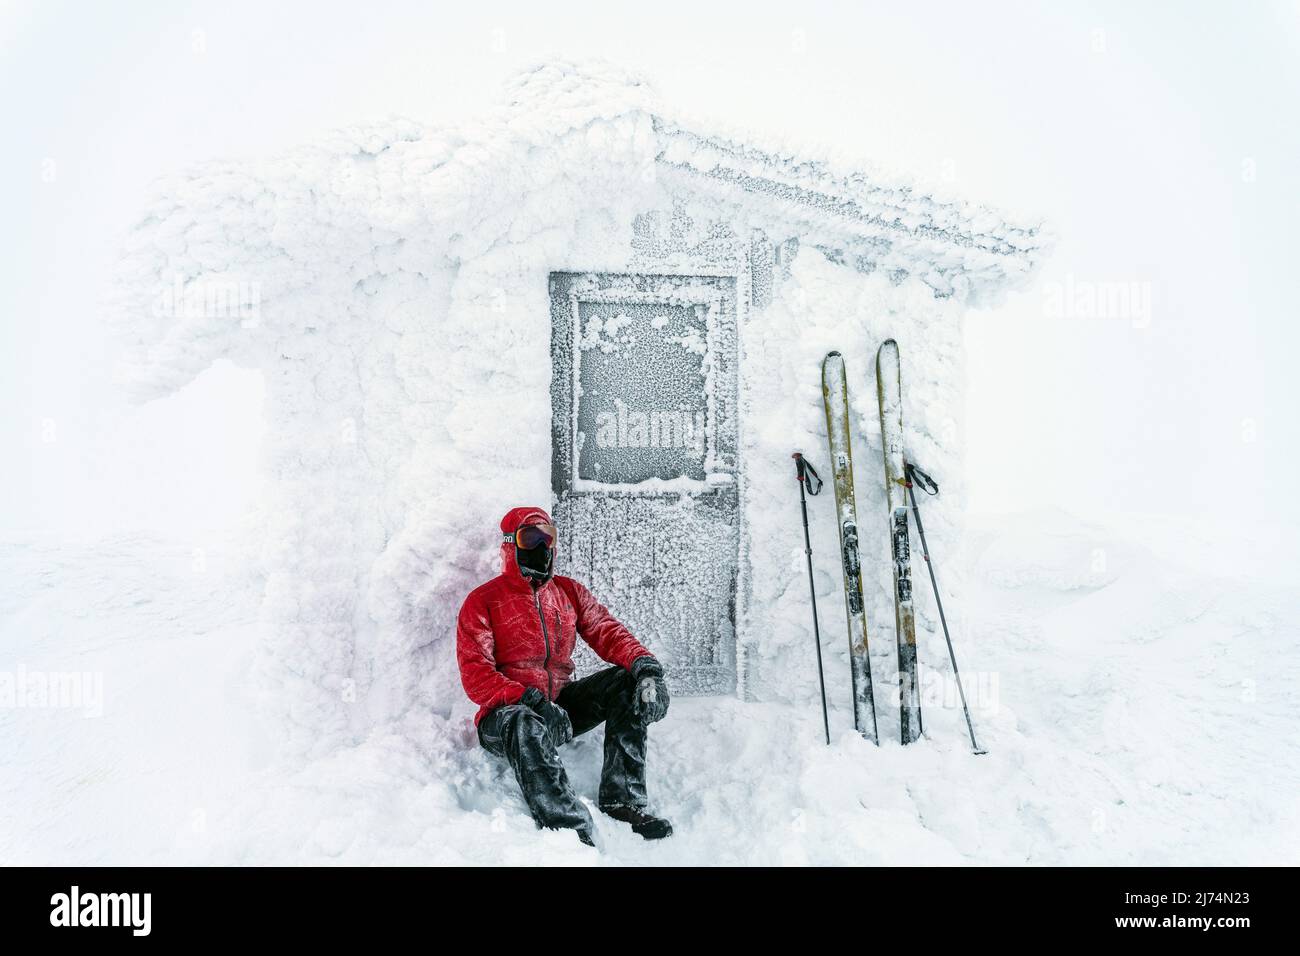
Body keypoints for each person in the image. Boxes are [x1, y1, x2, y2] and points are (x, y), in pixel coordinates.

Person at [456, 506, 672, 845]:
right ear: (511, 545)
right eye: (531, 538)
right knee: (522, 720)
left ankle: (622, 800)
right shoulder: (483, 602)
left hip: (559, 708)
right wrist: (529, 700)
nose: (542, 547)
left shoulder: (569, 593)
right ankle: (565, 825)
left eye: (548, 538)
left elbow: (606, 631)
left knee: (625, 682)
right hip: (507, 718)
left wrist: (646, 668)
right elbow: (476, 676)